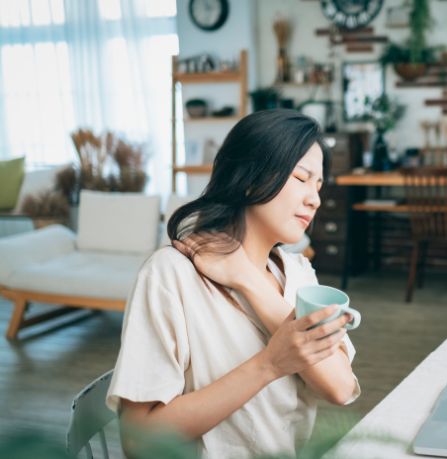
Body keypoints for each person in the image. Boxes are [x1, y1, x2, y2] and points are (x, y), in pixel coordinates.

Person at [106, 109, 360, 458]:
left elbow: (342, 388)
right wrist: (268, 365)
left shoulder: (299, 273)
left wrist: (247, 281)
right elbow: (139, 442)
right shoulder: (171, 275)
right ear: (250, 178)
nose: (315, 199)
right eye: (301, 178)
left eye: (319, 185)